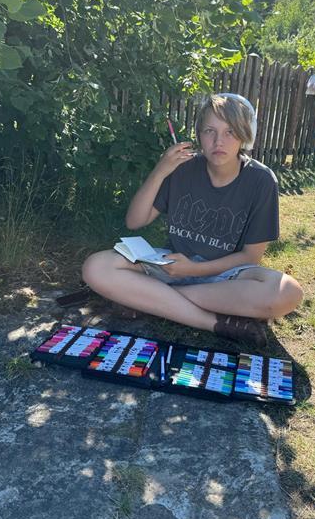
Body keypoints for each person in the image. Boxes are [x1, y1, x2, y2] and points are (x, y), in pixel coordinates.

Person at [82, 93, 303, 347]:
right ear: (198, 135)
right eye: (210, 131)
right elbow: (135, 221)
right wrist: (160, 170)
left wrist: (193, 270)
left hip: (226, 277)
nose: (219, 141)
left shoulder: (261, 180)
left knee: (288, 292)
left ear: (245, 135)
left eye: (230, 132)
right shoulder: (183, 168)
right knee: (96, 266)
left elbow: (250, 256)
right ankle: (212, 322)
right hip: (171, 265)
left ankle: (149, 300)